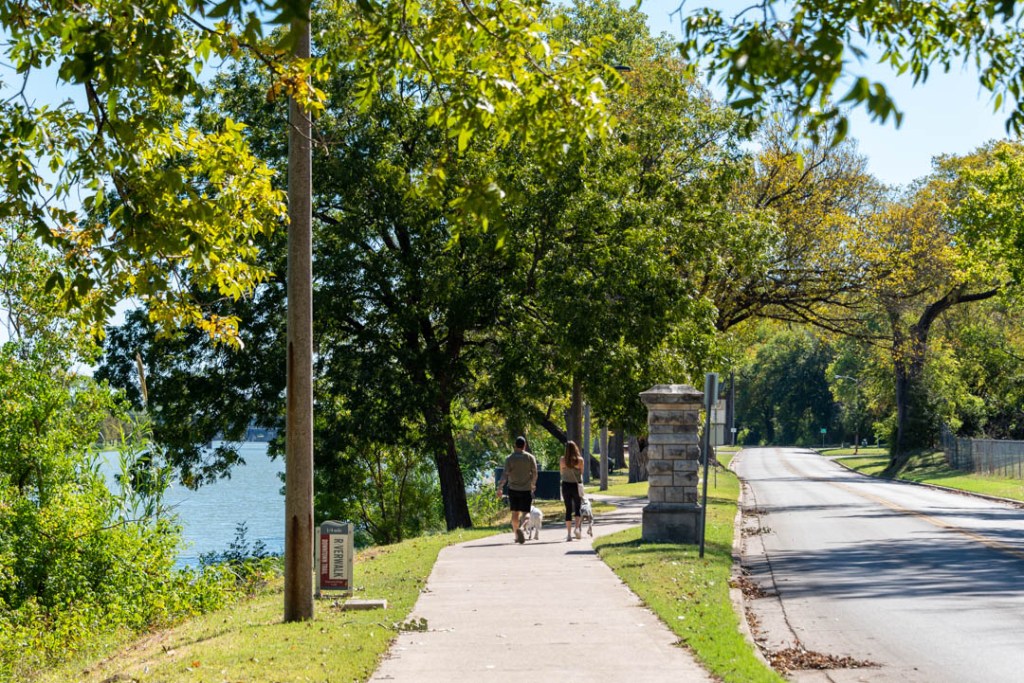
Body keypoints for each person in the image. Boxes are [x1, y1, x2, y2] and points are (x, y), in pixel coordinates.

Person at [496, 436, 538, 544]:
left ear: (515, 445)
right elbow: (535, 473)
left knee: (515, 513)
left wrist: (500, 487)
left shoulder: (509, 458)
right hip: (526, 489)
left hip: (513, 489)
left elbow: (505, 474)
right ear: (524, 445)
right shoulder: (530, 457)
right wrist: (532, 484)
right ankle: (523, 527)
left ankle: (516, 535)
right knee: (526, 513)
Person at [560, 440, 584, 541]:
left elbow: (561, 472)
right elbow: (581, 472)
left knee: (568, 509)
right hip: (576, 485)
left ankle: (569, 534)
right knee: (578, 507)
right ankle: (577, 528)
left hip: (566, 485)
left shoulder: (562, 460)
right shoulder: (580, 460)